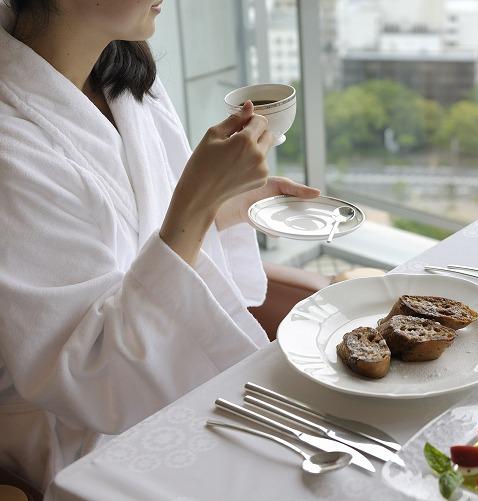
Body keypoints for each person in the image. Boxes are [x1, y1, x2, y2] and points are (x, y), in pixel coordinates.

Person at [0, 0, 320, 491]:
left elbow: (141, 231)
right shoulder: (11, 146)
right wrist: (198, 199)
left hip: (165, 382)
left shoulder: (123, 74)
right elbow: (91, 375)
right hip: (84, 438)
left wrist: (224, 204)